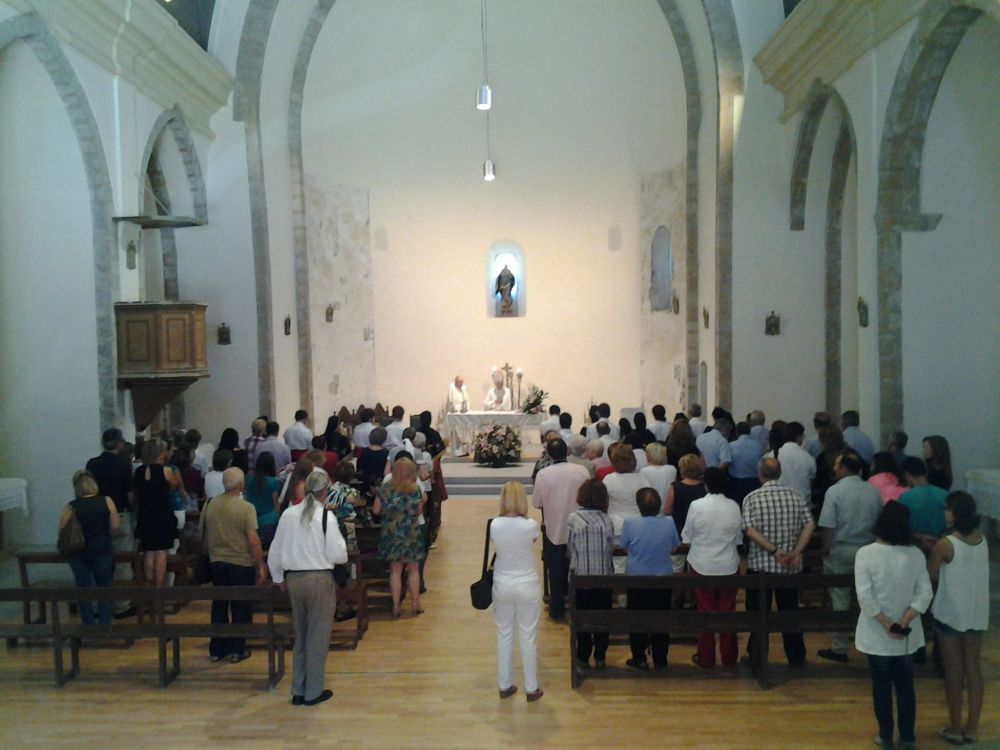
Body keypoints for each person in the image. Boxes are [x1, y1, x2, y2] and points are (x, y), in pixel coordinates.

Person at [854, 502, 933, 750]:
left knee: (881, 685)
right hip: (907, 632)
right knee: (906, 686)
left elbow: (865, 598)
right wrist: (904, 620)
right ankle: (908, 737)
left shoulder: (866, 553)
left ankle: (885, 735)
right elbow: (925, 593)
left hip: (877, 631)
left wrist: (887, 623)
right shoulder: (916, 554)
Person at [268, 470, 348, 707]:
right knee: (317, 637)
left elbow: (275, 549)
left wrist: (277, 577)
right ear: (325, 492)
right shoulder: (326, 517)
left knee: (301, 635)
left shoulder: (288, 515)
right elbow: (338, 555)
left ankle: (298, 689)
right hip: (319, 580)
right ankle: (313, 692)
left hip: (293, 580)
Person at [928, 492, 989, 746]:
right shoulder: (982, 540)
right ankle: (972, 727)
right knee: (973, 669)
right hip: (976, 612)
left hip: (951, 613)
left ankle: (954, 727)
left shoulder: (946, 543)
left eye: (947, 509)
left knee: (953, 672)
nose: (945, 512)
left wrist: (930, 547)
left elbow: (931, 573)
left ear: (954, 513)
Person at [742, 457, 816, 667]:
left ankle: (757, 656)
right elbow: (809, 524)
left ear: (760, 474)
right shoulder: (796, 496)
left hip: (761, 567)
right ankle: (796, 656)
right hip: (789, 566)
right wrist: (795, 552)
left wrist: (774, 551)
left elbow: (749, 530)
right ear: (780, 473)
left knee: (757, 614)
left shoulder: (752, 498)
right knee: (790, 612)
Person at [816, 452, 882, 663]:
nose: (834, 469)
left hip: (842, 549)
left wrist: (825, 549)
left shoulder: (835, 491)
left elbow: (828, 526)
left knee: (840, 598)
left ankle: (839, 647)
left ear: (844, 468)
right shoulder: (873, 491)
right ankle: (873, 644)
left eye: (836, 465)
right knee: (868, 599)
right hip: (868, 548)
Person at [200, 467, 267, 663]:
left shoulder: (210, 504)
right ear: (241, 484)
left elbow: (202, 534)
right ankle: (238, 649)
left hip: (217, 561)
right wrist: (260, 564)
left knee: (219, 605)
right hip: (240, 562)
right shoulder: (246, 508)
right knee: (240, 607)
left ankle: (217, 649)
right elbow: (253, 540)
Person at [682, 467, 742, 669]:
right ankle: (729, 657)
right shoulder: (733, 506)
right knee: (727, 614)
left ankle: (706, 657)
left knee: (705, 613)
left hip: (702, 564)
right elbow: (738, 539)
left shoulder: (697, 505)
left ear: (705, 483)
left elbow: (687, 535)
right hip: (728, 564)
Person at [490, 481, 543, 702]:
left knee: (504, 634)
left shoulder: (494, 524)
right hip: (527, 582)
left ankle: (504, 684)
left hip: (502, 582)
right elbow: (531, 541)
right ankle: (531, 687)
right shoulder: (531, 525)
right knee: (528, 635)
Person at [620, 487, 678, 670]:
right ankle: (661, 658)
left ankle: (639, 656)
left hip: (638, 576)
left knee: (637, 618)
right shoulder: (668, 522)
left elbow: (623, 546)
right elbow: (675, 546)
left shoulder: (630, 522)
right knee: (661, 617)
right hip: (662, 577)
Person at [531, 438, 589, 621]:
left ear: (548, 454)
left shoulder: (543, 474)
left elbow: (537, 503)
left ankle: (556, 611)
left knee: (555, 571)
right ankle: (579, 607)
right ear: (568, 452)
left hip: (554, 527)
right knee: (581, 567)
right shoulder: (582, 471)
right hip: (580, 527)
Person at [85, 428, 136, 619]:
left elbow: (87, 490)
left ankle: (99, 605)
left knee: (99, 561)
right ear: (119, 444)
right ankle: (121, 605)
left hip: (95, 516)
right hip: (119, 515)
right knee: (122, 562)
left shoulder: (92, 463)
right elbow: (130, 495)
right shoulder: (123, 463)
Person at [59, 470, 120, 625]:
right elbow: (115, 526)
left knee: (83, 588)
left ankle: (88, 623)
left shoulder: (71, 506)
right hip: (102, 549)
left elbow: (62, 531)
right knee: (104, 587)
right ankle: (105, 623)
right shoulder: (107, 501)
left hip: (78, 552)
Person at [567, 479, 614, 669]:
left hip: (581, 577)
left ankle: (583, 655)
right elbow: (609, 548)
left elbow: (570, 548)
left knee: (582, 618)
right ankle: (601, 655)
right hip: (603, 577)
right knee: (602, 618)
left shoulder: (573, 519)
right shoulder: (606, 520)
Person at [374, 458, 426, 618]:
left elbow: (376, 510)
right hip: (411, 533)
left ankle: (396, 606)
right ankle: (415, 604)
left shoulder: (385, 489)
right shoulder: (415, 489)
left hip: (391, 533)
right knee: (413, 569)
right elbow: (418, 512)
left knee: (395, 571)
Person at [134, 438, 182, 587]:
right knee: (161, 552)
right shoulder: (166, 471)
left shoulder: (138, 471)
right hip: (163, 514)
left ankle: (149, 586)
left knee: (149, 552)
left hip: (145, 515)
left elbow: (136, 493)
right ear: (160, 453)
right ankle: (159, 589)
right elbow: (174, 485)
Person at [602, 444, 651, 573]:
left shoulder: (609, 480)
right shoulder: (642, 478)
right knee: (639, 559)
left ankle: (621, 592)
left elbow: (603, 502)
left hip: (617, 526)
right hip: (639, 524)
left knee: (619, 564)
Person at [898, 457, 948, 549]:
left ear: (907, 475)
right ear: (926, 473)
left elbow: (900, 527)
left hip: (914, 548)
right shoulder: (945, 495)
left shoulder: (905, 498)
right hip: (941, 547)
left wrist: (920, 537)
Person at [244, 451, 280, 548]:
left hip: (250, 519)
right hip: (268, 522)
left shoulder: (247, 479)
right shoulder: (273, 482)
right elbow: (276, 504)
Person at [776, 421, 816, 509]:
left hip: (779, 503)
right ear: (798, 437)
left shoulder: (773, 455)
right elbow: (811, 481)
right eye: (803, 435)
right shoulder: (808, 457)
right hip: (803, 504)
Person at [727, 421, 763, 506]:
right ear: (750, 431)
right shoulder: (758, 446)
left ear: (737, 432)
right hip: (754, 482)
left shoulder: (731, 446)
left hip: (735, 482)